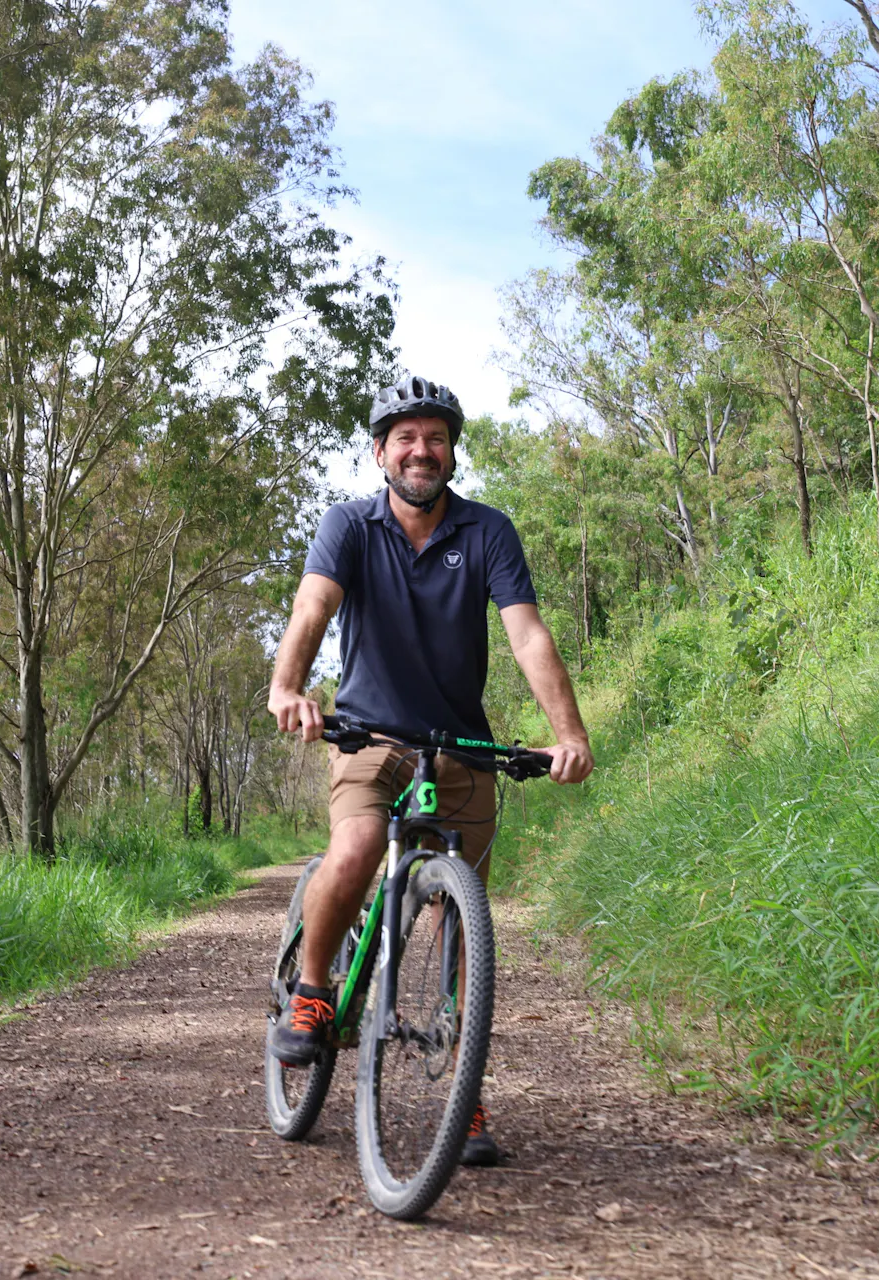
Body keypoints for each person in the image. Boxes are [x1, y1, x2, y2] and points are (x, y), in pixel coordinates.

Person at [265, 373, 594, 1168]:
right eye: (405, 437)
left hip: (462, 748)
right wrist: (287, 687)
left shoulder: (487, 532)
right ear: (381, 452)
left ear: (451, 452)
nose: (422, 450)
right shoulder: (349, 525)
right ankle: (313, 996)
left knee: (461, 917)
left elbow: (527, 636)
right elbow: (312, 610)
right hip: (370, 739)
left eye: (436, 437)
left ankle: (460, 1078)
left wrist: (567, 733)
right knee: (355, 849)